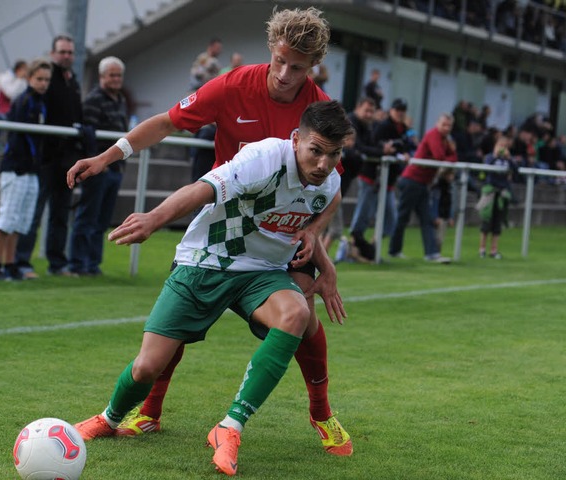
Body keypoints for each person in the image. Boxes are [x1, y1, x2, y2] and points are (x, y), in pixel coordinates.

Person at [67, 7, 353, 457]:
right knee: (158, 353)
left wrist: (316, 238)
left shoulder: (318, 114)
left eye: (296, 67)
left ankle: (317, 414)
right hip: (217, 233)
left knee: (303, 316)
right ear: (270, 51)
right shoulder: (235, 86)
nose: (283, 74)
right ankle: (144, 412)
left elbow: (331, 186)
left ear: (312, 67)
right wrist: (109, 157)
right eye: (279, 61)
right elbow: (167, 124)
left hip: (273, 248)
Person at [15, 34, 83, 278]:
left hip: (66, 160)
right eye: (62, 52)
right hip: (44, 158)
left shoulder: (72, 80)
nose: (66, 56)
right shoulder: (46, 78)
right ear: (53, 53)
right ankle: (22, 262)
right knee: (34, 211)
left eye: (70, 52)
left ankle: (57, 263)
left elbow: (76, 114)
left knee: (60, 214)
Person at [0, 59, 52, 281]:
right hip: (16, 169)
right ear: (29, 78)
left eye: (46, 80)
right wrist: (23, 163)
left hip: (32, 171)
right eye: (39, 79)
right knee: (7, 218)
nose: (43, 83)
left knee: (21, 221)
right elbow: (17, 137)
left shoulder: (42, 103)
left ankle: (11, 263)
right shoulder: (23, 101)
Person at [68, 57, 129, 276]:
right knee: (87, 216)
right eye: (111, 75)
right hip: (99, 168)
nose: (115, 79)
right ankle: (78, 264)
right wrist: (98, 162)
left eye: (118, 75)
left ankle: (92, 265)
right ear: (102, 77)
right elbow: (88, 134)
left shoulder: (120, 99)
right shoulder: (94, 99)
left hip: (115, 168)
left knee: (102, 219)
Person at [388, 113, 457, 262]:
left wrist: (448, 155)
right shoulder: (433, 135)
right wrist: (447, 155)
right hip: (412, 180)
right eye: (444, 124)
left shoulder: (445, 140)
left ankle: (431, 253)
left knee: (426, 218)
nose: (446, 128)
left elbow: (453, 157)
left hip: (422, 183)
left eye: (449, 126)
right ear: (437, 124)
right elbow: (440, 156)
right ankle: (394, 250)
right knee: (403, 217)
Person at [347, 97, 398, 262]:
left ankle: (357, 248)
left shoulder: (368, 126)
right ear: (357, 107)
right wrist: (383, 151)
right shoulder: (351, 123)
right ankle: (351, 249)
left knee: (375, 215)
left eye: (371, 111)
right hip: (345, 174)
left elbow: (368, 147)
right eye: (366, 110)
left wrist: (382, 150)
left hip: (359, 175)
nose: (369, 114)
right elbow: (358, 147)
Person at [478, 136, 517, 259]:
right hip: (490, 192)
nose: (502, 149)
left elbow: (516, 171)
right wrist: (495, 156)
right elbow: (485, 168)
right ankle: (482, 249)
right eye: (500, 146)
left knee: (497, 224)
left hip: (501, 193)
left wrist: (509, 158)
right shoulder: (490, 157)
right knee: (486, 222)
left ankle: (494, 250)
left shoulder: (508, 160)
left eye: (505, 147)